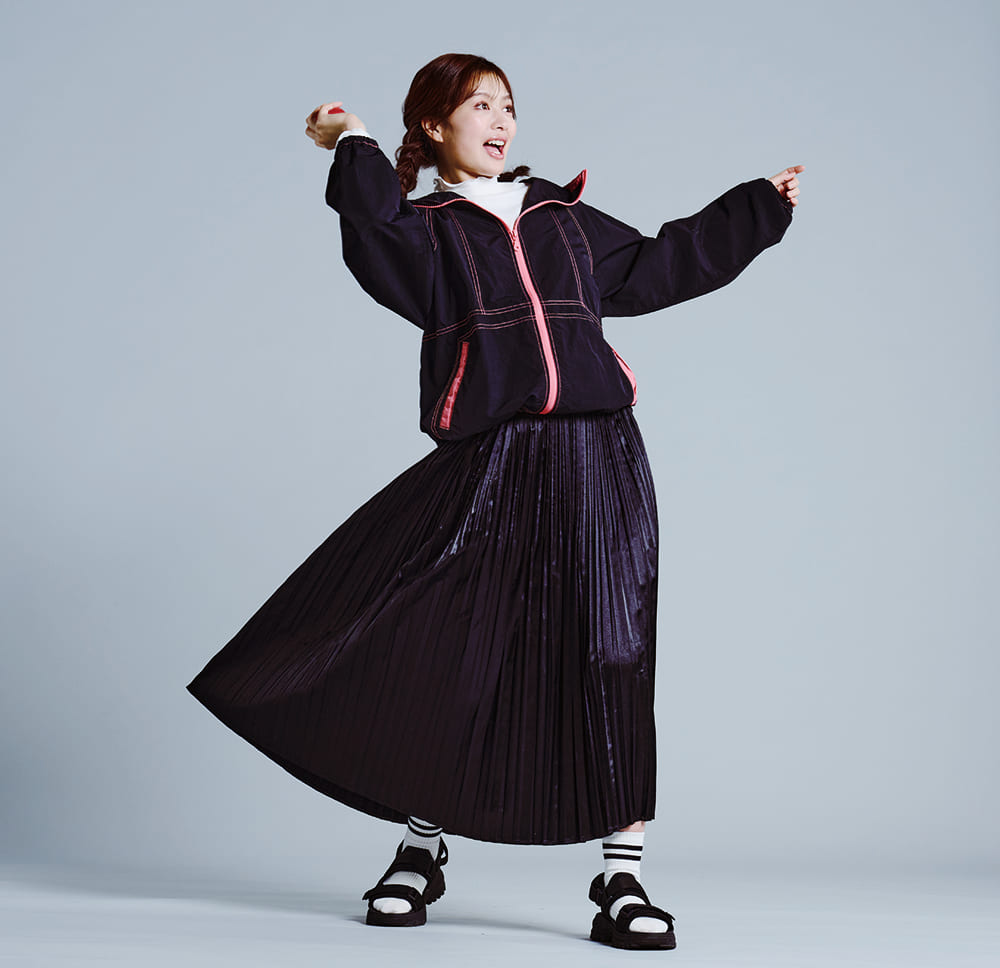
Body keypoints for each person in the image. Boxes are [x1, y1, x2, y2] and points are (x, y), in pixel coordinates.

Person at [187, 52, 802, 952]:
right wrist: (353, 140)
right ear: (434, 125)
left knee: (613, 652)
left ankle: (622, 877)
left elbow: (662, 265)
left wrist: (756, 207)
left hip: (599, 455)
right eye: (481, 105)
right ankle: (420, 849)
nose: (502, 120)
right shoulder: (426, 234)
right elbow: (371, 228)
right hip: (492, 457)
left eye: (508, 105)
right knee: (452, 651)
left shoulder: (563, 217)